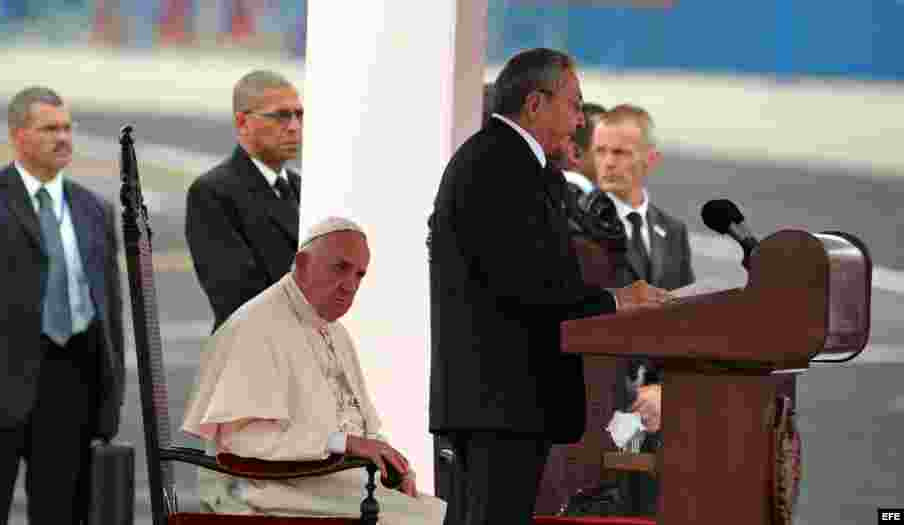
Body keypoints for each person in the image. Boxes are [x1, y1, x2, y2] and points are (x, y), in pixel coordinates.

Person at [427, 48, 670, 525]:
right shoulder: (498, 164)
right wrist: (616, 301)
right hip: (499, 400)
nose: (580, 119)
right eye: (574, 104)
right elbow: (525, 283)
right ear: (536, 104)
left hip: (507, 401)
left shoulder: (517, 164)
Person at [0, 86, 125, 524]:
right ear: (18, 136)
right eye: (50, 128)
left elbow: (110, 308)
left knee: (62, 512)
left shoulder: (94, 208)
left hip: (71, 385)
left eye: (68, 128)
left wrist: (112, 389)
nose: (63, 138)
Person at [183, 217, 446, 524]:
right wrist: (342, 443)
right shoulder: (255, 326)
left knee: (448, 512)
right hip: (266, 488)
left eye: (359, 275)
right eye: (341, 268)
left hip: (329, 483)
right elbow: (242, 438)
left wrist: (395, 467)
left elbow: (361, 422)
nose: (350, 286)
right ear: (303, 264)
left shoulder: (335, 332)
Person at [592, 103, 695, 435]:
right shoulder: (580, 227)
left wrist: (667, 392)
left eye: (620, 152)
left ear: (651, 159)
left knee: (658, 486)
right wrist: (632, 396)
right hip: (604, 406)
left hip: (660, 406)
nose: (608, 162)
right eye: (600, 151)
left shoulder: (673, 231)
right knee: (615, 483)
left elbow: (685, 321)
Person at [186, 70, 304, 332]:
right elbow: (237, 296)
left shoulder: (302, 189)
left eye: (299, 115)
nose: (295, 126)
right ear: (242, 123)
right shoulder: (213, 193)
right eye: (281, 116)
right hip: (253, 354)